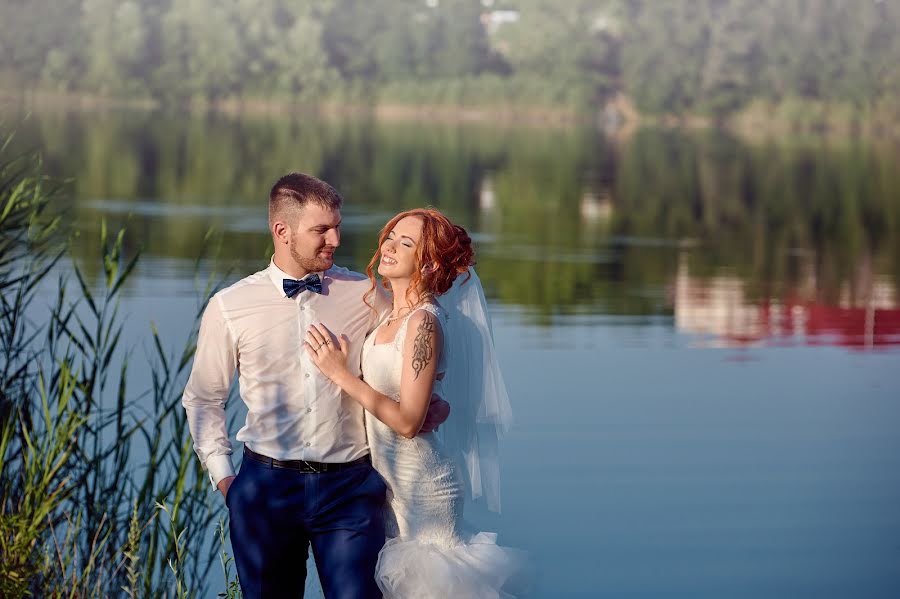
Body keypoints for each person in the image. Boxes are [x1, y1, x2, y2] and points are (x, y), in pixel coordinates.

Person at [181, 174, 448, 599]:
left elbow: (410, 337)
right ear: (282, 231)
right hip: (265, 489)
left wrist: (434, 397)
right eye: (321, 229)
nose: (336, 239)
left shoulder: (363, 292)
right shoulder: (230, 306)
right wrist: (225, 480)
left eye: (337, 226)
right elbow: (203, 399)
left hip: (350, 490)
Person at [307, 208, 524, 598]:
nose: (389, 246)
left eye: (405, 243)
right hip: (389, 486)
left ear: (429, 262)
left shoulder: (424, 322)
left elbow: (407, 422)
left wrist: (341, 375)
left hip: (422, 491)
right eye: (390, 236)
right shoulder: (389, 314)